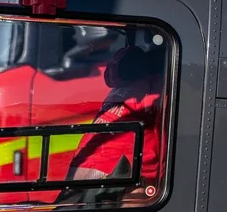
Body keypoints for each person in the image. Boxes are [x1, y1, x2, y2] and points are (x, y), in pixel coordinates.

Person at [66, 44, 166, 202]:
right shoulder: (157, 91)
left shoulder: (117, 93)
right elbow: (167, 143)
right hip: (110, 176)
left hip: (77, 173)